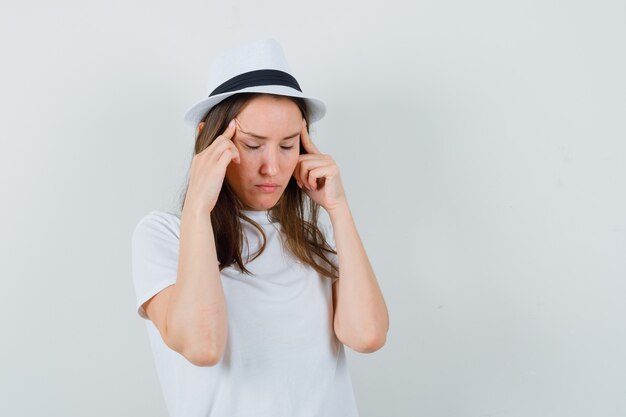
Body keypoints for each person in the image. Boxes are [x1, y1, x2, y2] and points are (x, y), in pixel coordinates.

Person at [131, 38, 389, 417]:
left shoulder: (315, 237)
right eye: (252, 145)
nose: (272, 167)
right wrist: (199, 208)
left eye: (287, 146)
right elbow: (202, 346)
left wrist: (338, 207)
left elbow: (366, 335)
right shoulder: (164, 235)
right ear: (210, 139)